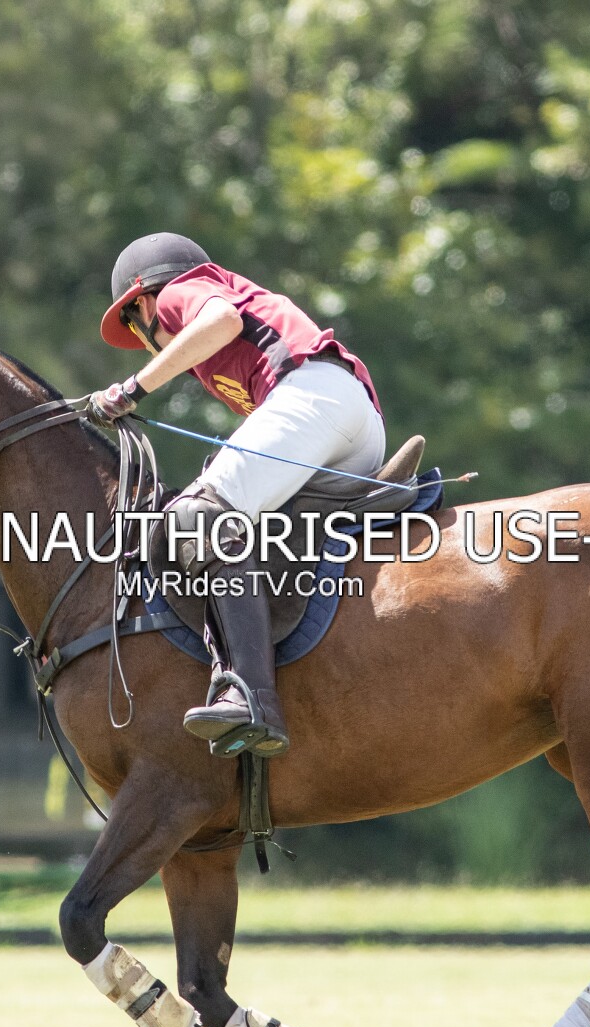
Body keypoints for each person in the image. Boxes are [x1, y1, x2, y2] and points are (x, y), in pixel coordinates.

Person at [88, 233, 386, 758]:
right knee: (252, 533)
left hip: (317, 397)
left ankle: (250, 695)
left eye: (133, 325)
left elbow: (222, 319)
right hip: (353, 421)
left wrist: (132, 388)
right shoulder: (212, 355)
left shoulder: (179, 292)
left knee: (197, 518)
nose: (143, 339)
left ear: (143, 302)